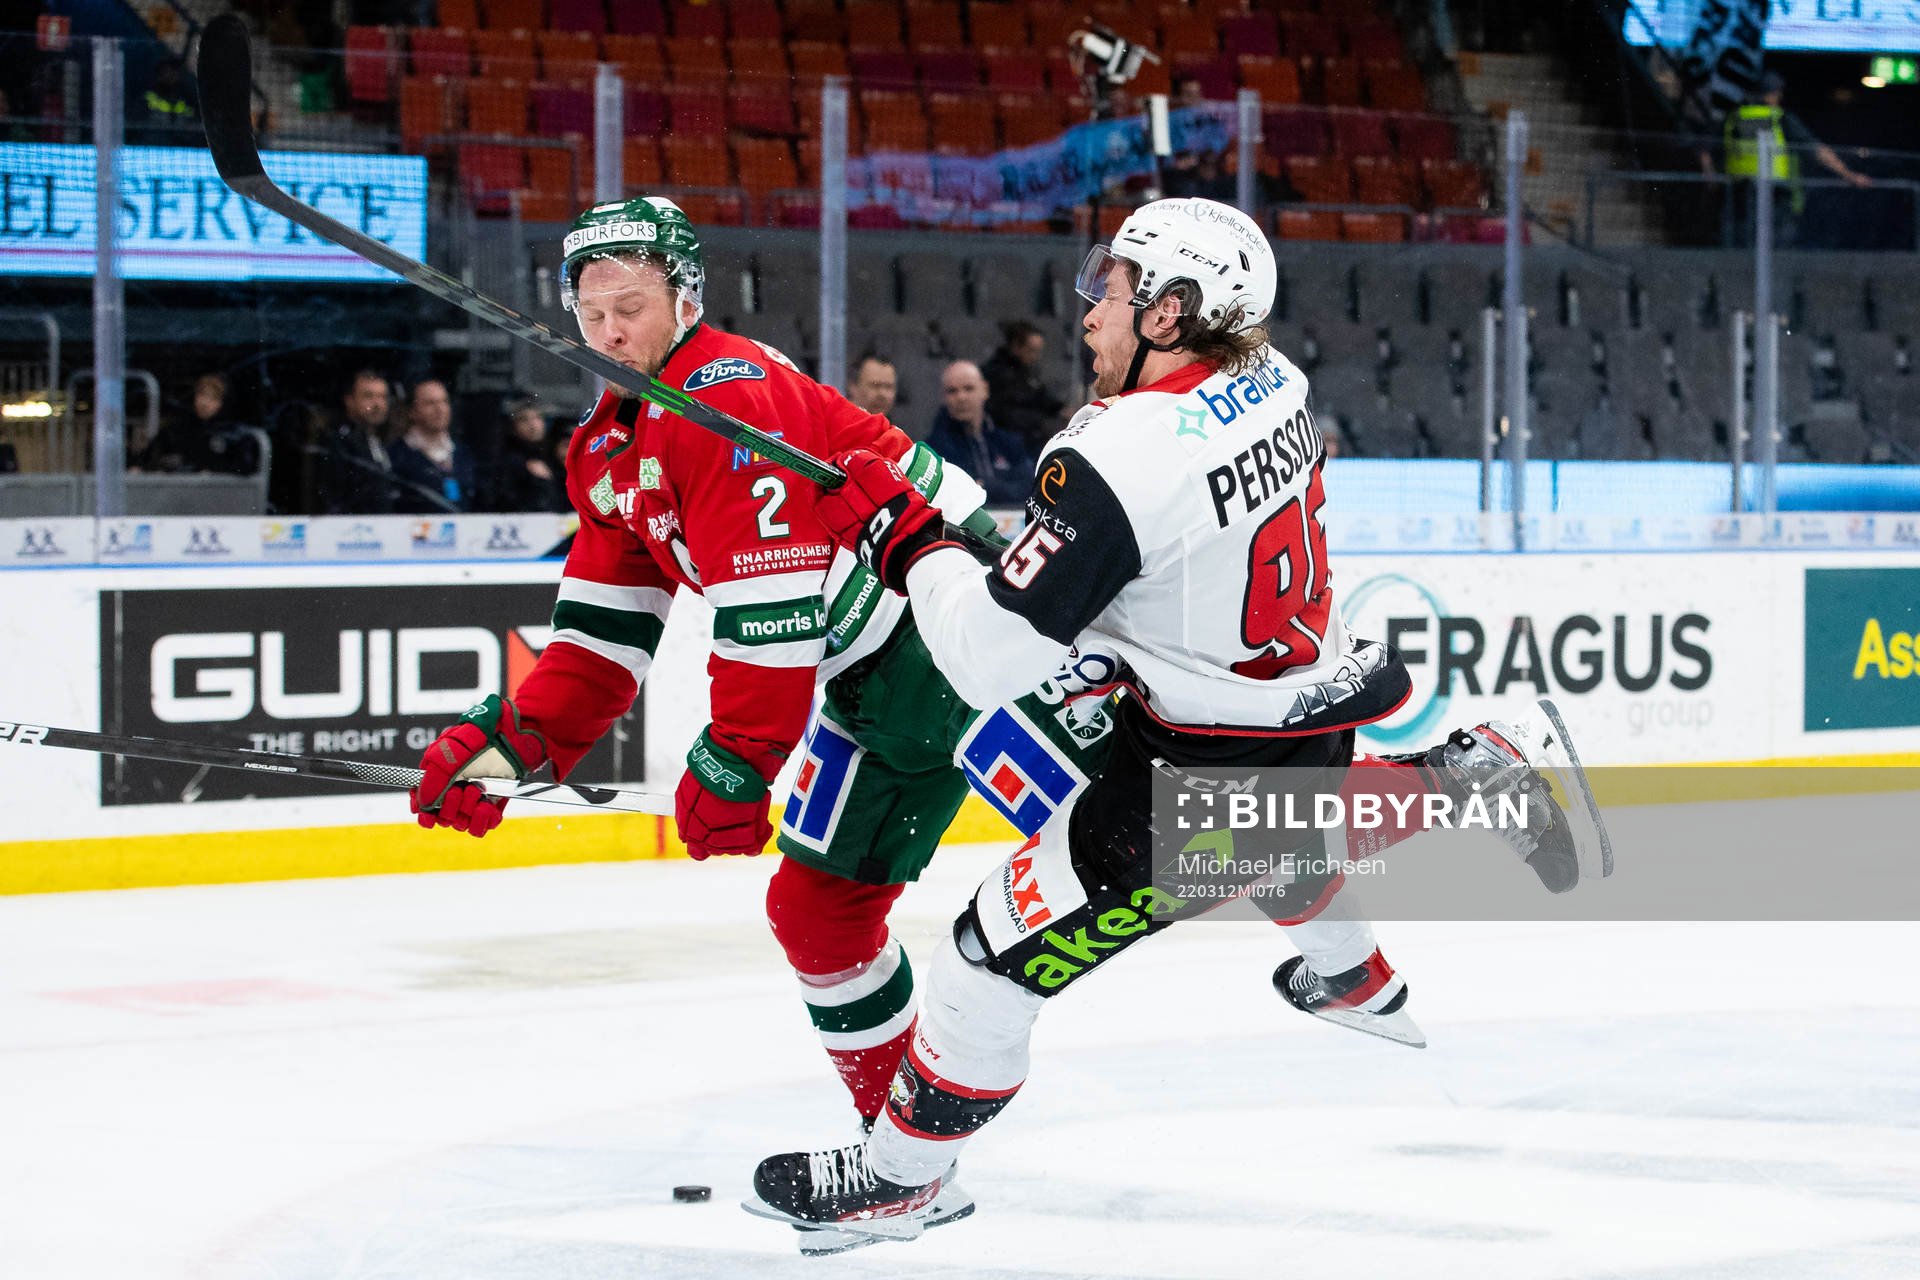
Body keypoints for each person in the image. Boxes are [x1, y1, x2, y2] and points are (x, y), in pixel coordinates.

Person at [746, 198, 1608, 1241]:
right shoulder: (1273, 378)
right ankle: (1370, 948)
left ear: (1169, 312)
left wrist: (909, 541)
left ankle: (898, 1181)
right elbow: (1173, 555)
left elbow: (981, 659)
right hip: (1302, 702)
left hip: (1196, 769)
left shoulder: (1111, 455)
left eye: (1111, 288)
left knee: (983, 966)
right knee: (1283, 841)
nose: (1089, 311)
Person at [403, 195, 1126, 1254]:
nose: (609, 332)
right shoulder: (610, 448)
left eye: (631, 306)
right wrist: (517, 745)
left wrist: (738, 760)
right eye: (591, 312)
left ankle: (1383, 847)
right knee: (819, 913)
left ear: (685, 298)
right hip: (867, 682)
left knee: (1177, 828)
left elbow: (772, 608)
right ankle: (905, 1168)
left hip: (959, 631)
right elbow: (601, 638)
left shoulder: (727, 395)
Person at [1703, 70, 1872, 248]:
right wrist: (1849, 175)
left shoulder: (1733, 118)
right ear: (1772, 94)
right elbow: (1818, 151)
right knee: (1777, 248)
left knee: (1739, 247)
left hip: (1738, 196)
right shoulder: (1780, 119)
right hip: (1775, 194)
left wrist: (1710, 177)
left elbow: (1704, 148)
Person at [924, 360, 1034, 506]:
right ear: (943, 397)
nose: (961, 397)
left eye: (969, 388)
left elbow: (1029, 488)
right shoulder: (933, 451)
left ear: (985, 390)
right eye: (952, 391)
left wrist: (986, 486)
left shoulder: (1009, 442)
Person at [139, 372, 260, 476]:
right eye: (201, 395)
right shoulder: (178, 429)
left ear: (223, 403)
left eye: (213, 398)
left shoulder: (235, 434)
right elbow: (149, 456)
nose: (204, 403)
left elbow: (245, 468)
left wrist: (213, 470)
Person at [315, 368, 398, 515]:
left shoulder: (380, 441)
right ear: (350, 401)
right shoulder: (339, 443)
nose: (377, 404)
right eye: (368, 396)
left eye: (383, 397)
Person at [387, 377, 476, 511]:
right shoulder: (397, 455)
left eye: (444, 401)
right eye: (430, 403)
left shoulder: (462, 453)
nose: (440, 409)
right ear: (412, 411)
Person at [979, 321, 1066, 450]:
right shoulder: (996, 373)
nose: (1035, 357)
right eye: (1031, 351)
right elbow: (1006, 413)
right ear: (1016, 346)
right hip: (1009, 438)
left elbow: (1039, 395)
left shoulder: (1026, 370)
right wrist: (1040, 420)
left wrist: (1059, 408)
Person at [488, 398, 568, 512]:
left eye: (537, 417)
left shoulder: (554, 454)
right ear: (513, 427)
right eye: (524, 419)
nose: (533, 425)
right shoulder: (507, 460)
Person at [846, 353, 899, 422]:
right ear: (853, 387)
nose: (882, 394)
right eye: (875, 385)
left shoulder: (893, 427)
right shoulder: (837, 424)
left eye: (888, 387)